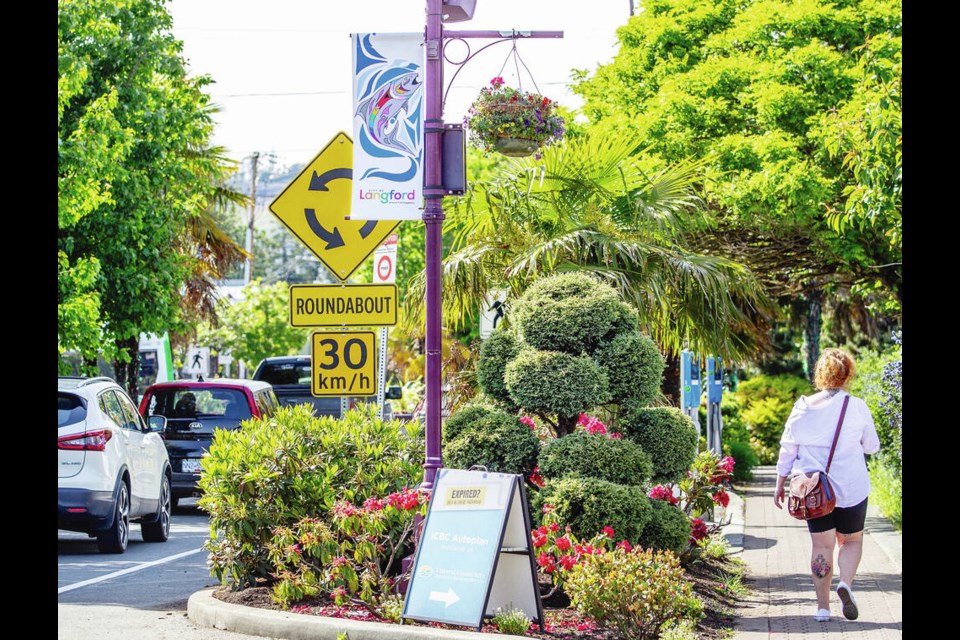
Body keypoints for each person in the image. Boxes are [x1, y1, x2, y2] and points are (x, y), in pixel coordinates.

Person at [773, 348, 880, 623]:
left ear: (819, 375)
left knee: (822, 547)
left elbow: (788, 448)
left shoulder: (803, 407)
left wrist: (780, 483)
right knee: (851, 540)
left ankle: (822, 608)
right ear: (847, 376)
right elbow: (872, 446)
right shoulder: (856, 406)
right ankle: (845, 584)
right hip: (851, 487)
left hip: (813, 491)